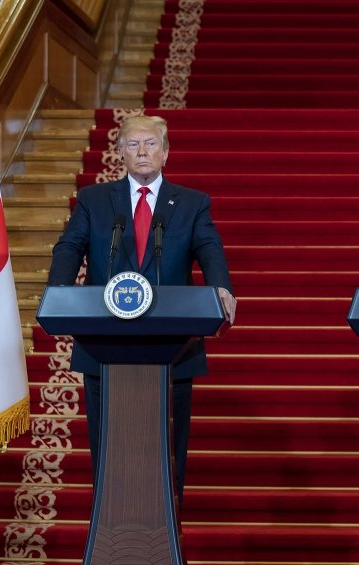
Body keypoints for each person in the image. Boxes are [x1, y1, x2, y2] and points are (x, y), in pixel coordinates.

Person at [47, 114, 236, 503]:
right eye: (133, 144)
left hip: (173, 346)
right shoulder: (94, 200)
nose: (142, 152)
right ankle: (110, 525)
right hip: (104, 345)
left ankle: (166, 528)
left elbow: (209, 249)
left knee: (169, 451)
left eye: (151, 144)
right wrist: (59, 290)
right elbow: (70, 246)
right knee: (108, 447)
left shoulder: (192, 203)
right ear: (120, 153)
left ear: (165, 152)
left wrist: (221, 289)